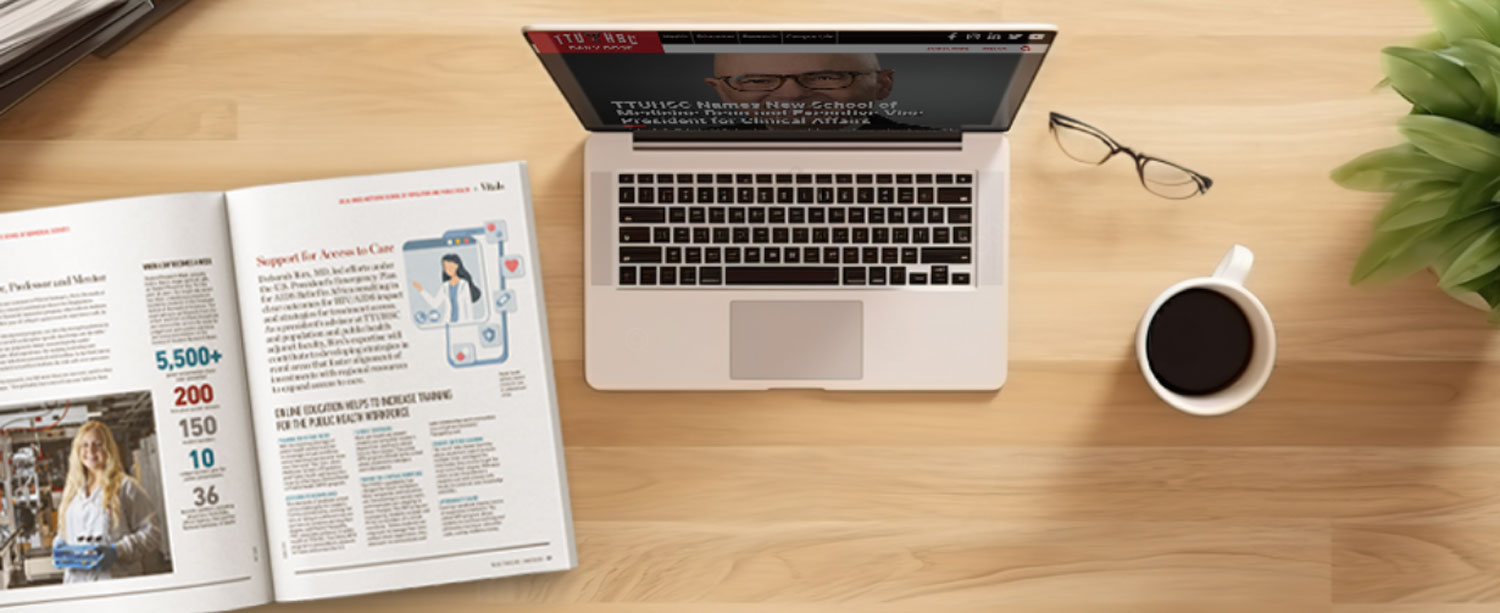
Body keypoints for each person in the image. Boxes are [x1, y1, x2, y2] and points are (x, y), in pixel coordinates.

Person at [702, 53, 927, 131]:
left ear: (882, 84)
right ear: (722, 92)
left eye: (824, 78)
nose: (792, 95)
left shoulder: (928, 148)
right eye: (758, 80)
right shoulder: (702, 151)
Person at [54, 421, 159, 583]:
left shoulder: (125, 487)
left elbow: (152, 533)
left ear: (108, 448)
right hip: (77, 585)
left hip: (116, 582)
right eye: (85, 445)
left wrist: (118, 551)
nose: (91, 451)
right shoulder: (72, 491)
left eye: (97, 444)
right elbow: (64, 531)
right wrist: (59, 544)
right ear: (77, 451)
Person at [411, 253, 483, 323]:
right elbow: (435, 303)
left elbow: (468, 307)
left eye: (450, 267)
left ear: (456, 266)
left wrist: (470, 324)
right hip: (448, 323)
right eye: (445, 267)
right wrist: (421, 290)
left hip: (462, 322)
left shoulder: (464, 285)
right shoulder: (445, 286)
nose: (447, 270)